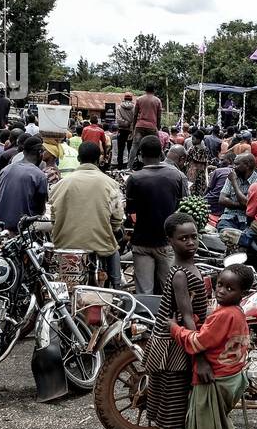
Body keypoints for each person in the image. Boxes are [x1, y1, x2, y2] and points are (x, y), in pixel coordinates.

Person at [169, 263, 257, 429]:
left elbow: (197, 343)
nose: (221, 290)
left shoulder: (222, 315)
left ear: (242, 294)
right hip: (233, 378)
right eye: (220, 284)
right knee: (220, 424)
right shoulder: (238, 313)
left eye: (229, 288)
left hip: (213, 381)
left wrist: (175, 329)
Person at [141, 213, 214, 429]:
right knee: (172, 418)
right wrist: (201, 357)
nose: (191, 242)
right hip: (174, 353)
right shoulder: (182, 274)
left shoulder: (186, 268)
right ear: (170, 241)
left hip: (168, 347)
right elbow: (187, 318)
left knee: (173, 412)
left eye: (194, 236)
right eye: (183, 238)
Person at [51, 142, 126, 288]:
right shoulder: (110, 184)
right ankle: (117, 286)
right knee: (113, 250)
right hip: (100, 243)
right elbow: (117, 216)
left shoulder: (61, 184)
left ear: (78, 158)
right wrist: (115, 228)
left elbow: (53, 215)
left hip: (65, 243)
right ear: (99, 159)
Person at [125, 135, 189, 294]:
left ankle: (143, 318)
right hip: (167, 242)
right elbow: (182, 208)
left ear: (140, 155)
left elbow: (131, 213)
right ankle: (168, 318)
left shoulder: (134, 178)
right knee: (169, 290)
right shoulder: (177, 176)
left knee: (144, 292)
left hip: (142, 242)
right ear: (162, 153)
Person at [0, 135, 49, 233]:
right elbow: (41, 210)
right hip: (23, 229)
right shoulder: (39, 175)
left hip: (0, 225)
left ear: (23, 152)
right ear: (40, 153)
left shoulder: (5, 170)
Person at [216, 154, 257, 237]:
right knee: (224, 232)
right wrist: (243, 206)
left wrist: (234, 182)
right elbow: (222, 199)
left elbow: (246, 203)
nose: (233, 167)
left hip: (247, 220)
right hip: (228, 217)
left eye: (237, 164)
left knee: (245, 237)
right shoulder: (232, 176)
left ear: (247, 165)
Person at [127, 84, 163, 167]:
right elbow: (159, 116)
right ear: (154, 90)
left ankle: (129, 167)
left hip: (140, 126)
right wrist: (157, 127)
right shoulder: (157, 101)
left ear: (145, 90)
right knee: (157, 145)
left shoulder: (139, 99)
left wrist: (133, 127)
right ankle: (162, 164)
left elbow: (135, 115)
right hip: (152, 126)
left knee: (135, 146)